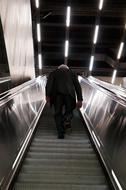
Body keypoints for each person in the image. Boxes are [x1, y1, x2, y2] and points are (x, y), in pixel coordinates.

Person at [46, 64, 83, 139]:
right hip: (69, 95)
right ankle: (66, 119)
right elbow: (77, 86)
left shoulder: (53, 73)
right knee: (69, 111)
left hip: (57, 95)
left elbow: (49, 85)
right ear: (67, 68)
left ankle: (60, 133)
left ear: (58, 68)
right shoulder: (72, 73)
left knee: (58, 113)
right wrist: (80, 99)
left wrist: (47, 96)